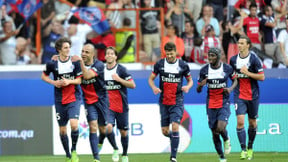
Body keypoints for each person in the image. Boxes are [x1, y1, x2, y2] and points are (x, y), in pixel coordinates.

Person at [148, 42, 193, 162]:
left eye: (171, 53)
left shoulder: (183, 65)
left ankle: (173, 157)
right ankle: (175, 138)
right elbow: (151, 79)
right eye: (167, 54)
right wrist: (154, 88)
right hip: (164, 101)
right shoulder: (160, 64)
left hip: (177, 100)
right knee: (165, 131)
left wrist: (187, 87)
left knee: (174, 126)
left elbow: (190, 80)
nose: (169, 56)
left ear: (175, 52)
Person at [41, 37, 82, 162]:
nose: (68, 50)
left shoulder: (74, 63)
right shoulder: (52, 63)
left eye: (69, 47)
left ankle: (74, 150)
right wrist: (53, 82)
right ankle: (68, 155)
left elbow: (80, 80)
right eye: (65, 48)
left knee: (74, 124)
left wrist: (69, 81)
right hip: (60, 99)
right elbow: (43, 76)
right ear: (59, 50)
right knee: (63, 129)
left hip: (74, 97)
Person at [196, 47, 237, 162]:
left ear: (218, 56)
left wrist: (230, 89)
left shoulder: (227, 68)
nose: (210, 58)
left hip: (223, 101)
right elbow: (198, 90)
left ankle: (226, 138)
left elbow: (235, 80)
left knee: (220, 127)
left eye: (213, 56)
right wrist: (200, 85)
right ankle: (222, 157)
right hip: (211, 103)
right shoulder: (204, 70)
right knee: (214, 132)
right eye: (209, 55)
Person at [229, 36, 265, 160]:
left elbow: (262, 77)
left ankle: (250, 147)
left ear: (248, 45)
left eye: (242, 43)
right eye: (238, 43)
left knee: (252, 122)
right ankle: (243, 149)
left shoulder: (254, 59)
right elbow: (233, 76)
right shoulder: (233, 60)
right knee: (240, 121)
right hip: (239, 95)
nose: (239, 45)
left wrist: (247, 73)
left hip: (253, 95)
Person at [72, 43, 109, 162]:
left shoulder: (99, 65)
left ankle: (101, 140)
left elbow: (87, 76)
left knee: (103, 129)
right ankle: (96, 158)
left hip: (102, 100)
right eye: (82, 51)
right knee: (93, 127)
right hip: (88, 102)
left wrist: (80, 63)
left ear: (93, 54)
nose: (83, 54)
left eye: (86, 52)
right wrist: (58, 58)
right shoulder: (77, 66)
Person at [100, 46, 136, 162]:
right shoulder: (101, 70)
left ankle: (125, 154)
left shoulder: (121, 70)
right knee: (108, 127)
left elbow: (132, 85)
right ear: (105, 56)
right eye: (108, 53)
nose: (109, 55)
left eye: (112, 53)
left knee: (124, 132)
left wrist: (119, 80)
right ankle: (115, 148)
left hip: (121, 105)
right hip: (107, 106)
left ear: (115, 56)